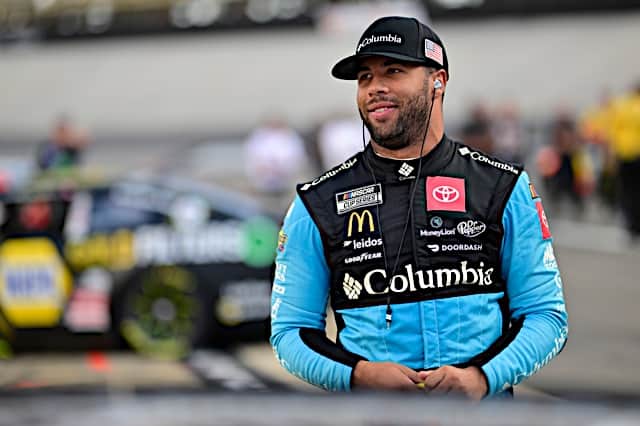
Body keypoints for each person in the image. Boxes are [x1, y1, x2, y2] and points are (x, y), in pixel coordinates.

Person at [270, 16, 568, 400]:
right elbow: (290, 332)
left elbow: (546, 316)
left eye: (393, 71)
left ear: (437, 81)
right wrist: (358, 374)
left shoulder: (502, 186)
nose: (374, 88)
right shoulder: (318, 202)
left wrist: (481, 377)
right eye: (364, 77)